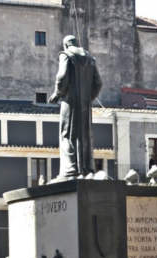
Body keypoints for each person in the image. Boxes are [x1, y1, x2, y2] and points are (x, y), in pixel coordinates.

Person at [48, 35, 103, 181]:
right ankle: (85, 168)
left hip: (70, 100)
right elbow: (98, 83)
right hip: (85, 102)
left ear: (66, 45)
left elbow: (62, 75)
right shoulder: (91, 59)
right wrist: (87, 97)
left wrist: (57, 94)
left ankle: (70, 169)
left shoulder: (65, 54)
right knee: (84, 135)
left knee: (67, 134)